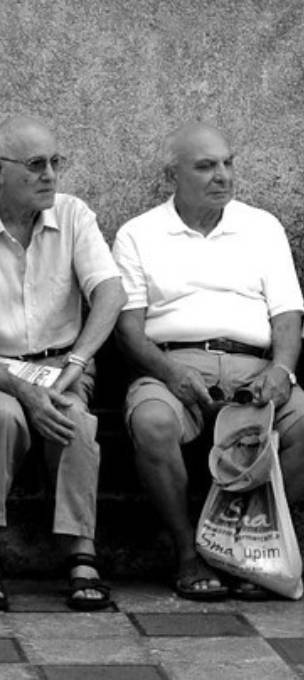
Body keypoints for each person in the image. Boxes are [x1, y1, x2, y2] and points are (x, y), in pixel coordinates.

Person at [0, 115, 126, 611]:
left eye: (56, 163)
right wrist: (24, 392)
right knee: (0, 415)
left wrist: (77, 363)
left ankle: (81, 553)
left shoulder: (74, 216)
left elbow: (110, 292)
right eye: (36, 164)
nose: (50, 175)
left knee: (75, 420)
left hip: (62, 361)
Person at [112, 122, 304, 601]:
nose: (223, 175)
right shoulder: (139, 234)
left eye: (227, 163)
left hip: (255, 368)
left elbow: (287, 316)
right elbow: (128, 329)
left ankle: (243, 550)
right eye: (205, 166)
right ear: (171, 175)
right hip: (172, 366)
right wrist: (169, 372)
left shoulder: (262, 227)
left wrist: (280, 371)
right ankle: (188, 554)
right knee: (153, 421)